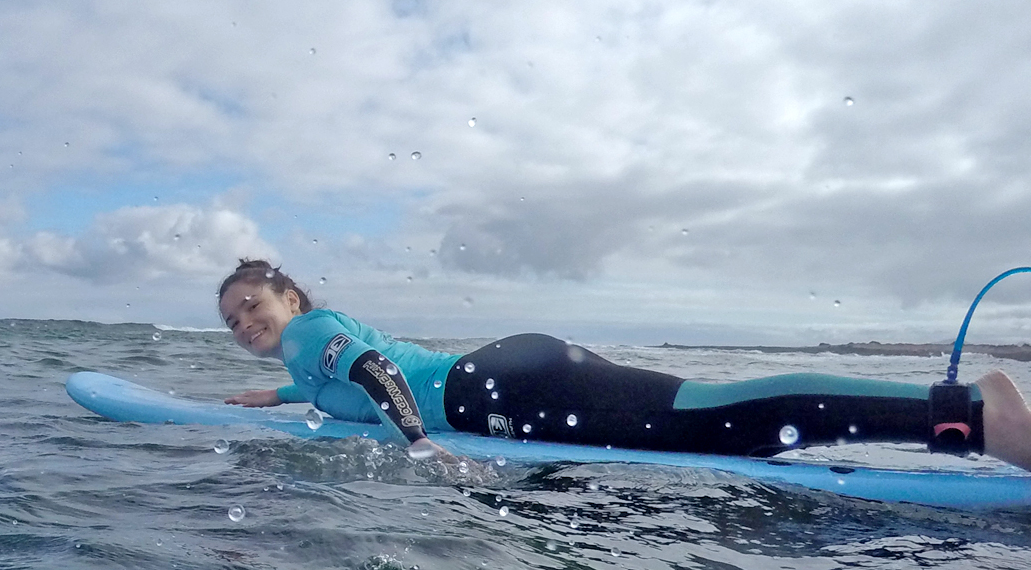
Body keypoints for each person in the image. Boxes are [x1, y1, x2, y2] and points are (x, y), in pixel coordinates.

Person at [218, 259, 1031, 471]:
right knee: (716, 416)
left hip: (503, 389)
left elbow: (374, 375)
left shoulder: (307, 330)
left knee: (723, 420)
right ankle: (959, 413)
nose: (245, 322)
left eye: (254, 305)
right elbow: (341, 373)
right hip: (512, 373)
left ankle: (972, 413)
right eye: (231, 323)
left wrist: (421, 448)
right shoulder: (308, 345)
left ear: (289, 295)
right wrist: (284, 394)